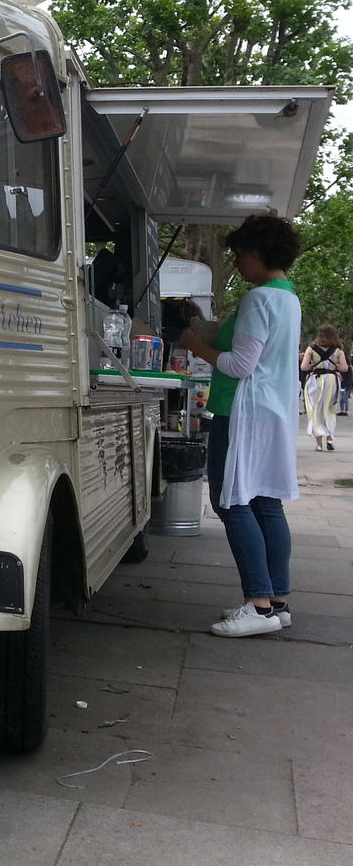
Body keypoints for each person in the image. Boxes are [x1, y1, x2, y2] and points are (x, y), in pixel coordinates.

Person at [178, 214, 301, 638]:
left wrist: (194, 344)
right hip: (274, 413)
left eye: (240, 253)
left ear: (256, 252)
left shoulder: (259, 299)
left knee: (232, 502)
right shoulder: (287, 296)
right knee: (266, 502)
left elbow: (240, 364)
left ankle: (258, 604)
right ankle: (276, 600)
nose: (237, 260)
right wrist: (205, 327)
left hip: (242, 414)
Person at [301, 325, 349, 449]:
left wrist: (314, 365)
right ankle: (329, 439)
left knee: (315, 409)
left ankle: (318, 444)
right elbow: (344, 368)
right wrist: (335, 367)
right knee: (330, 409)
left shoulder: (311, 349)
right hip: (332, 381)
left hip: (315, 381)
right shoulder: (338, 351)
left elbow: (304, 367)